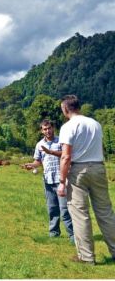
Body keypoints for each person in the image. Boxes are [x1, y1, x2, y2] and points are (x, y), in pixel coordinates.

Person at [58, 94, 115, 265]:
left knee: (80, 214)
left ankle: (86, 257)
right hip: (98, 167)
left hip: (78, 170)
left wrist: (62, 182)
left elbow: (66, 157)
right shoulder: (95, 124)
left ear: (65, 109)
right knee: (105, 212)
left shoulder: (68, 127)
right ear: (78, 107)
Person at [24, 119, 74, 242]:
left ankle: (73, 235)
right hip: (48, 180)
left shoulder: (61, 141)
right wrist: (32, 165)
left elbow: (66, 155)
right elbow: (38, 161)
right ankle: (54, 234)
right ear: (41, 131)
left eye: (49, 128)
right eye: (45, 129)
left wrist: (50, 151)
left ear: (53, 128)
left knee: (64, 210)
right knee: (52, 209)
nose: (48, 131)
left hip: (61, 180)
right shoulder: (39, 145)